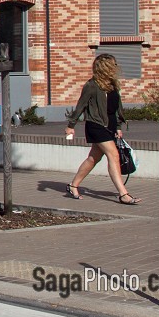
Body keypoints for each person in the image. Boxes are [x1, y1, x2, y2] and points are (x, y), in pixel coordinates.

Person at [65, 53, 138, 204]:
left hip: (109, 126)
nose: (116, 67)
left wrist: (118, 126)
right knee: (114, 155)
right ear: (105, 68)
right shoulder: (91, 85)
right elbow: (81, 106)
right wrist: (71, 125)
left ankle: (73, 185)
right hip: (96, 125)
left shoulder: (112, 85)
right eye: (113, 65)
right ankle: (123, 194)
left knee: (93, 158)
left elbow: (116, 108)